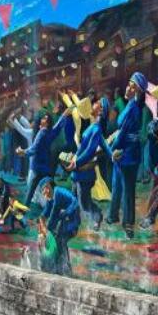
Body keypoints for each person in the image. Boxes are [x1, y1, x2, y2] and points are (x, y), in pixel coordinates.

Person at [106, 72, 145, 235]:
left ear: (139, 91)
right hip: (123, 153)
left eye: (133, 87)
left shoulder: (133, 108)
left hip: (127, 154)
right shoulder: (130, 105)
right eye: (129, 84)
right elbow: (121, 130)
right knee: (117, 185)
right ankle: (113, 215)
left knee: (128, 189)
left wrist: (111, 148)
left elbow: (123, 134)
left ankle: (128, 223)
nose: (128, 88)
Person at [66, 97, 109, 230]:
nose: (93, 104)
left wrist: (76, 162)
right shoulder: (92, 126)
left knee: (84, 203)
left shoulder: (96, 129)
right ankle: (72, 222)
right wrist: (74, 156)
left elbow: (90, 151)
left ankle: (97, 216)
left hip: (84, 172)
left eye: (96, 104)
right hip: (78, 171)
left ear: (100, 111)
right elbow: (86, 147)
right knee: (74, 198)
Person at [15, 110, 68, 207]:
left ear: (47, 123)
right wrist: (64, 115)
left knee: (33, 188)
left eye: (44, 119)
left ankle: (26, 207)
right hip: (46, 165)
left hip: (38, 165)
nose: (41, 120)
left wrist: (23, 152)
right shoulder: (50, 132)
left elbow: (34, 149)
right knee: (45, 187)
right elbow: (58, 126)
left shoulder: (42, 133)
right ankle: (57, 204)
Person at [37, 177, 80, 275]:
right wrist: (42, 220)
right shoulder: (51, 196)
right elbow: (46, 212)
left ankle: (65, 269)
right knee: (57, 240)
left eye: (44, 189)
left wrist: (47, 231)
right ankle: (59, 267)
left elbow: (54, 214)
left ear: (48, 187)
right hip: (64, 220)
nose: (43, 193)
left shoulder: (57, 194)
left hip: (72, 220)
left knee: (61, 240)